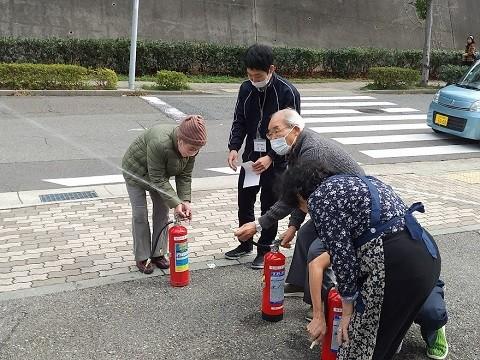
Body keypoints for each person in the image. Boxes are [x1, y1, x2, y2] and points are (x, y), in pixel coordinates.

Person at [280, 161, 442, 360]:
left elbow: (342, 256)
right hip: (426, 255)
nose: (306, 211)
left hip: (395, 265)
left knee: (357, 346)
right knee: (383, 344)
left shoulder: (320, 197)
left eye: (300, 206)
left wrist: (347, 310)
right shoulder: (355, 183)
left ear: (300, 194)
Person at [234, 109, 364, 282]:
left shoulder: (312, 150)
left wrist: (258, 225)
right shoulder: (297, 148)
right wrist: (293, 226)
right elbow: (302, 194)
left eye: (276, 131)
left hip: (353, 211)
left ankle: (325, 297)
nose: (272, 138)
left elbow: (294, 196)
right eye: (270, 134)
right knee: (304, 235)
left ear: (295, 129)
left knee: (317, 250)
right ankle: (299, 284)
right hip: (333, 206)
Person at [225, 44, 301, 269]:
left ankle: (264, 248)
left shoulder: (287, 92)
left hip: (276, 161)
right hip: (251, 157)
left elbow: (293, 132)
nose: (253, 80)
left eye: (257, 76)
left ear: (271, 69)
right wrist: (233, 147)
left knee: (270, 204)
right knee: (245, 201)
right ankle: (245, 242)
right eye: (249, 75)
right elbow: (239, 119)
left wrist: (271, 156)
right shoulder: (246, 88)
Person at [122, 115, 207, 274]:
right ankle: (142, 256)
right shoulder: (160, 143)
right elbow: (157, 178)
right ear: (180, 140)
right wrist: (176, 203)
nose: (193, 153)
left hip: (157, 176)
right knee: (140, 214)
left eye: (197, 150)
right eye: (191, 149)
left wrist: (185, 201)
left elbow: (184, 176)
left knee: (162, 213)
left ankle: (158, 254)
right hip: (135, 171)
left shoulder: (192, 148)